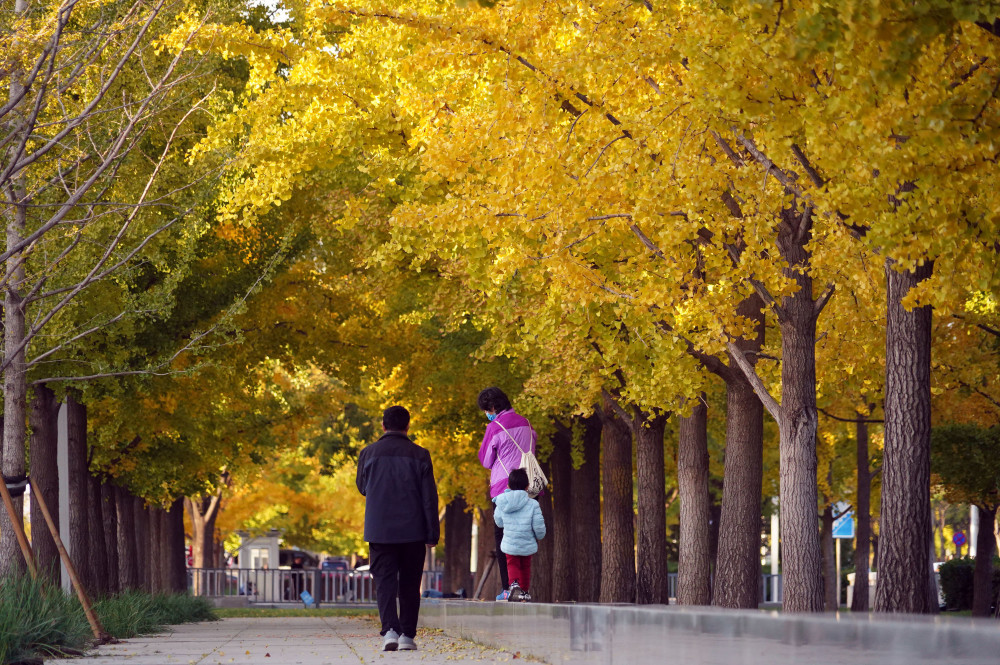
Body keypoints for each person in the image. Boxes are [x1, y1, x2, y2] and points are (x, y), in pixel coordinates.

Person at [356, 405, 440, 652]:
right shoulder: (421, 455)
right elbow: (429, 497)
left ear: (383, 426)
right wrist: (432, 533)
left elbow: (362, 487)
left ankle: (390, 630)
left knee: (384, 582)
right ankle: (407, 636)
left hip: (379, 529)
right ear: (407, 426)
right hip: (413, 530)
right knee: (410, 584)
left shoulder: (368, 454)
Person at [477, 387, 538, 600]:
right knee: (525, 535)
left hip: (504, 488)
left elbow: (485, 460)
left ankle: (508, 587)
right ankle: (524, 587)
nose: (487, 413)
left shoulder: (494, 427)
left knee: (503, 537)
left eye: (486, 410)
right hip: (529, 486)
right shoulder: (527, 423)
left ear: (492, 407)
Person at [493, 468, 546, 602]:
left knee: (512, 563)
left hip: (510, 541)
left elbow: (498, 522)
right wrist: (540, 535)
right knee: (525, 566)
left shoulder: (502, 502)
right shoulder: (533, 504)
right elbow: (538, 525)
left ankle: (514, 584)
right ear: (527, 486)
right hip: (527, 541)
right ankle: (524, 591)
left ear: (508, 486)